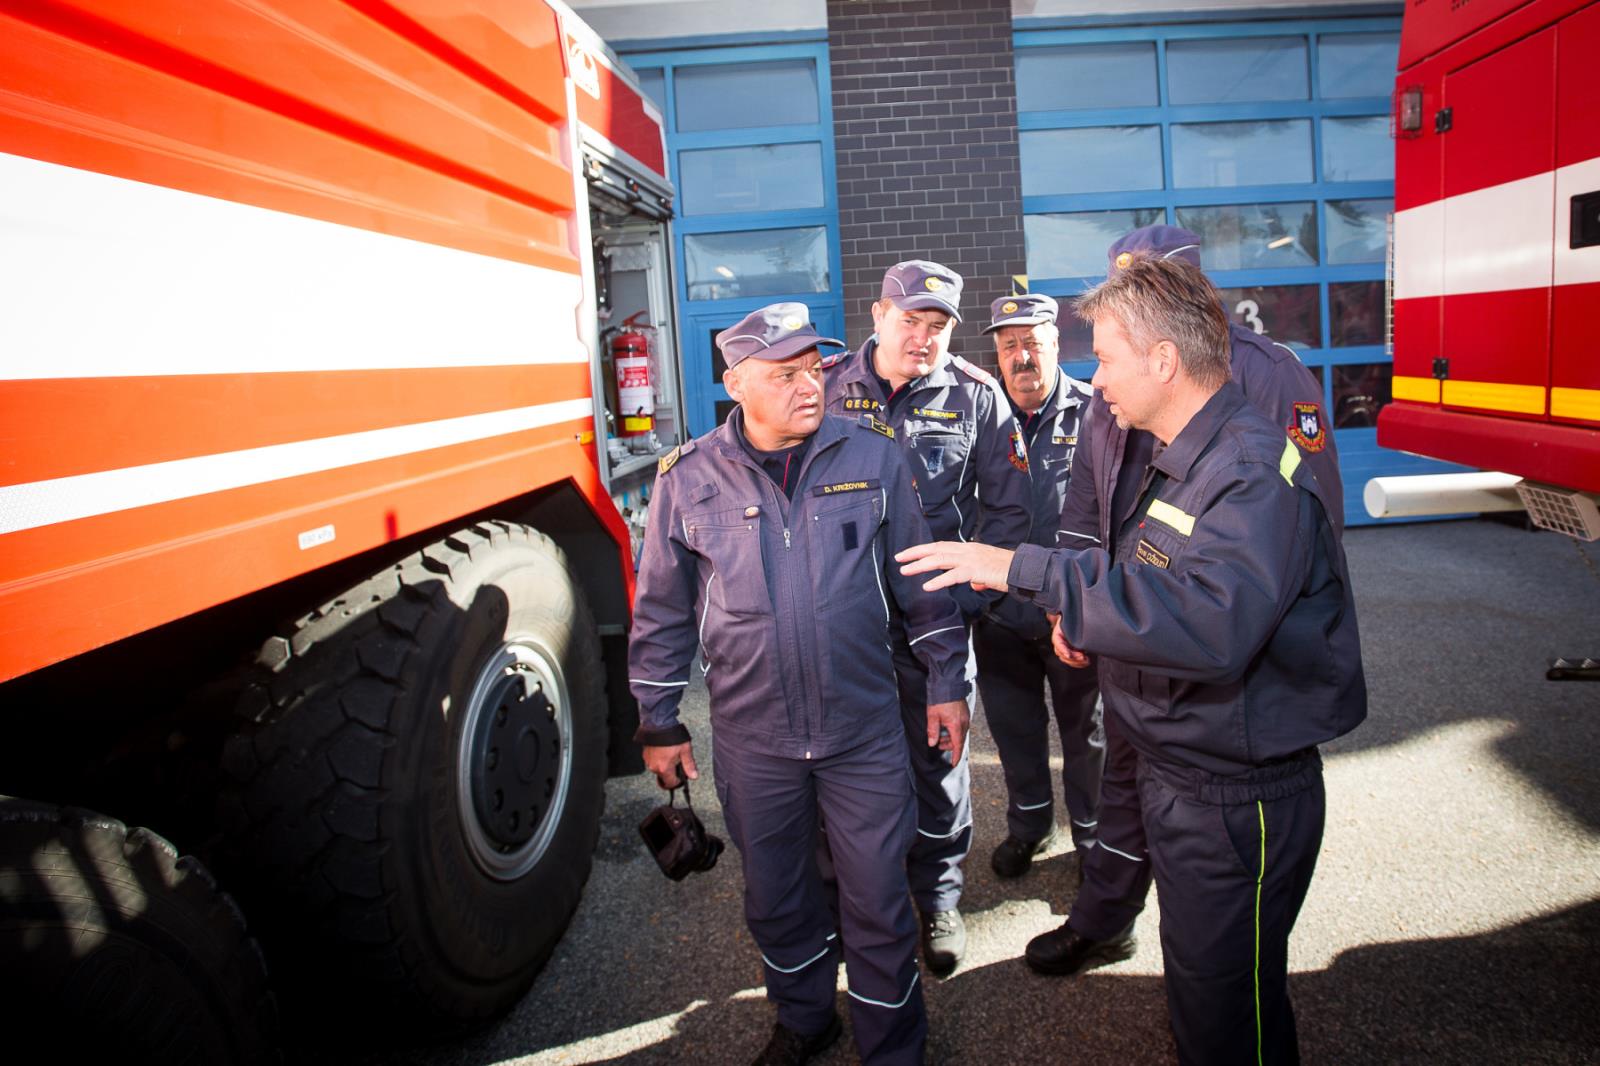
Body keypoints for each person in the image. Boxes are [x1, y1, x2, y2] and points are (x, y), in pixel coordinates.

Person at [898, 256, 1366, 1065]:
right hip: (1189, 772)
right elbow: (1139, 576)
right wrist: (1080, 606)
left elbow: (1208, 624)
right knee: (1200, 994)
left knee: (1229, 1020)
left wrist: (1019, 569)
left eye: (1107, 357)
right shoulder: (1184, 455)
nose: (1096, 377)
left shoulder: (1248, 473)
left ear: (1162, 361)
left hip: (1234, 796)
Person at [628, 302, 972, 1065]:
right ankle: (805, 1018)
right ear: (736, 385)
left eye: (812, 368)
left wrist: (947, 679)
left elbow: (923, 582)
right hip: (758, 744)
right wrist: (659, 720)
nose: (808, 385)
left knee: (880, 903)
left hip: (863, 733)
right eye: (784, 375)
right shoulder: (686, 481)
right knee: (778, 901)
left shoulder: (874, 455)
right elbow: (659, 610)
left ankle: (893, 1046)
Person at [1035, 223, 1348, 985]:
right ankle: (1105, 922)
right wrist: (1069, 606)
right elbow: (1086, 507)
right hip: (1134, 635)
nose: (1101, 370)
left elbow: (1305, 516)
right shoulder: (1121, 382)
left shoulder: (1267, 377)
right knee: (1125, 791)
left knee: (1223, 957)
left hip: (1213, 670)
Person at [820, 260, 1032, 976]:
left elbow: (1009, 510)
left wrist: (967, 594)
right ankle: (849, 901)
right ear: (878, 316)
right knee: (837, 765)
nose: (923, 339)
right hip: (837, 625)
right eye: (910, 321)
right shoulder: (820, 386)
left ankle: (938, 896)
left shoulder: (977, 397)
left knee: (938, 763)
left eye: (938, 327)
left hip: (932, 624)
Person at [969, 293, 1104, 879]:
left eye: (1033, 343)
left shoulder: (1097, 410)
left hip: (1072, 610)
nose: (1022, 357)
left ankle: (1095, 839)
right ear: (997, 354)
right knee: (1015, 732)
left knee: (1086, 734)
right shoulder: (977, 415)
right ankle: (1030, 826)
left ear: (1056, 345)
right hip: (1000, 614)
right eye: (1009, 346)